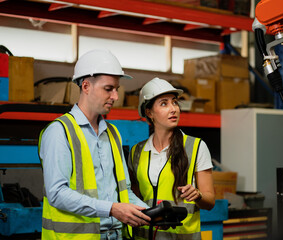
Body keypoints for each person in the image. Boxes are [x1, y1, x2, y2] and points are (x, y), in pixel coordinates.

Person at [38, 49, 151, 240]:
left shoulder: (113, 134)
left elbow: (123, 192)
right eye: (108, 89)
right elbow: (56, 193)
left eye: (117, 89)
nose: (115, 96)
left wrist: (150, 213)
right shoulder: (59, 132)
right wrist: (112, 209)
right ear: (86, 86)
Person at [128, 77, 215, 240]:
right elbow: (134, 198)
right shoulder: (136, 152)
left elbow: (210, 201)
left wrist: (198, 195)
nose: (173, 109)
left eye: (175, 102)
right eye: (164, 103)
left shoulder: (195, 147)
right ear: (149, 112)